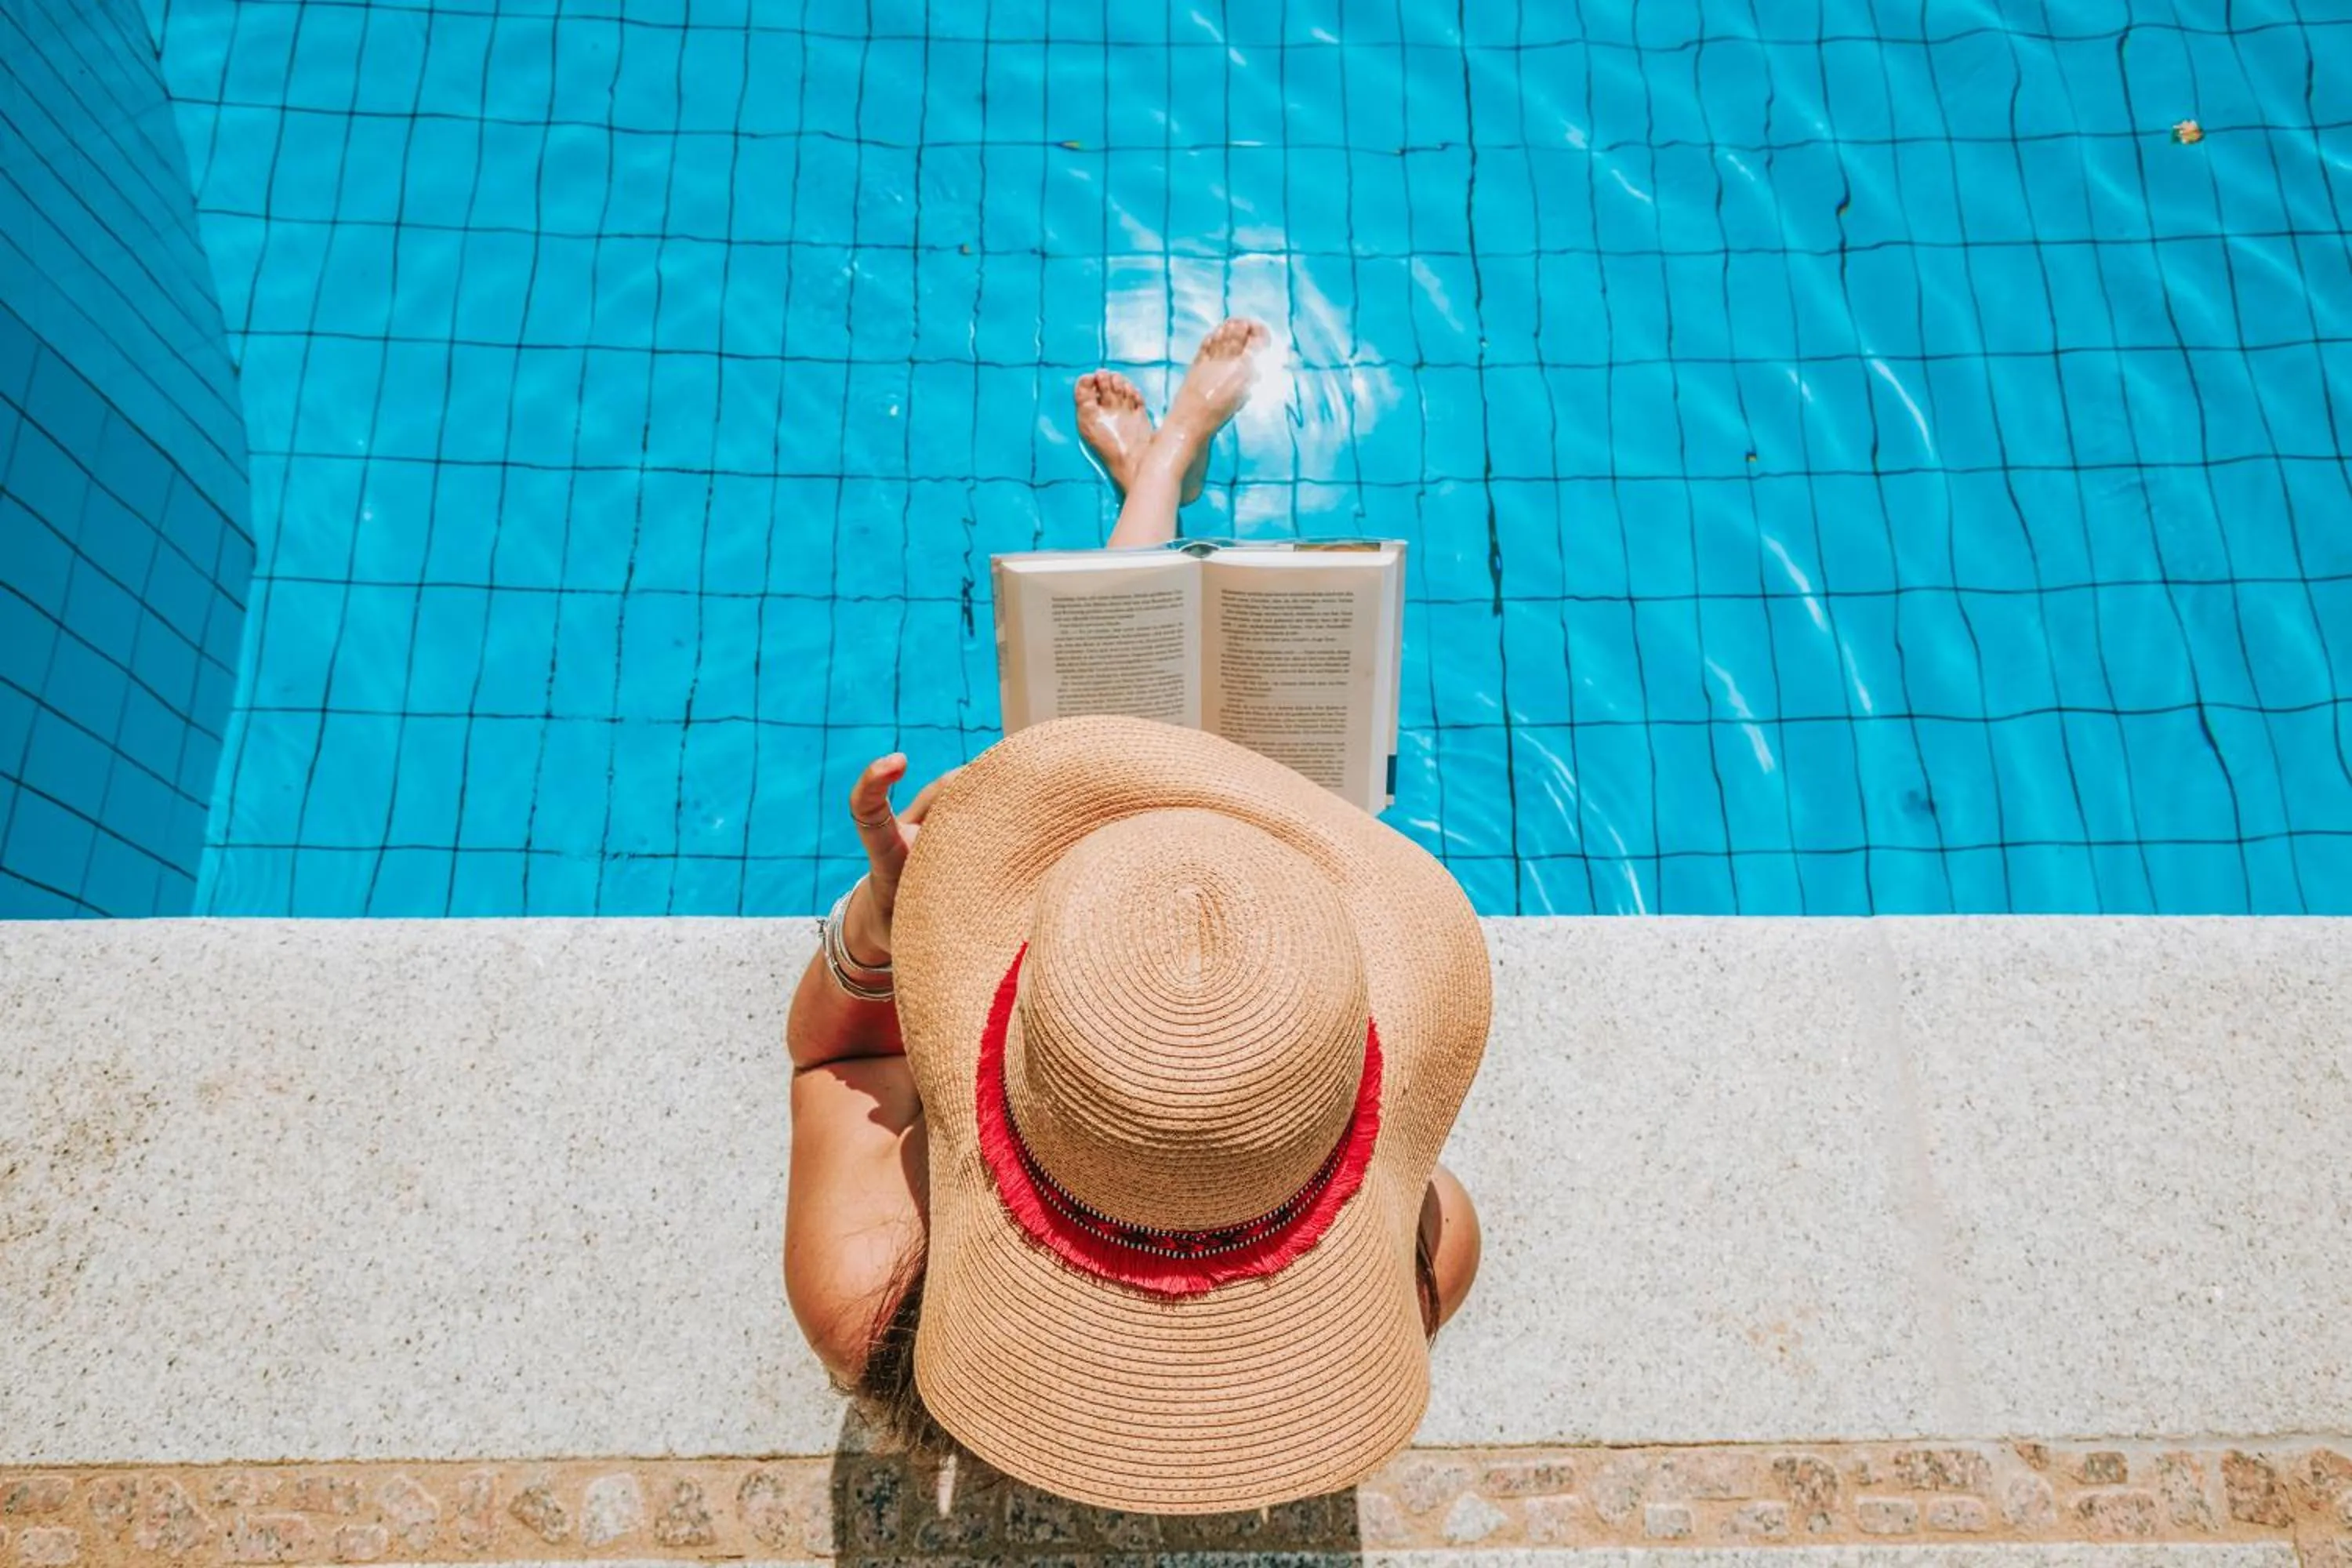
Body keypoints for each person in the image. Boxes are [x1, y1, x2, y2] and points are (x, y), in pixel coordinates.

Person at [782, 318, 1488, 1513]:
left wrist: (887, 919)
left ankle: (1157, 478)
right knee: (1181, 804)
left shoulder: (868, 1294)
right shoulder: (1431, 1253)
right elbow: (1291, 1113)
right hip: (1190, 996)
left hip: (1087, 998)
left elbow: (833, 1051)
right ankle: (1161, 469)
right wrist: (1246, 1056)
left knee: (1105, 749)